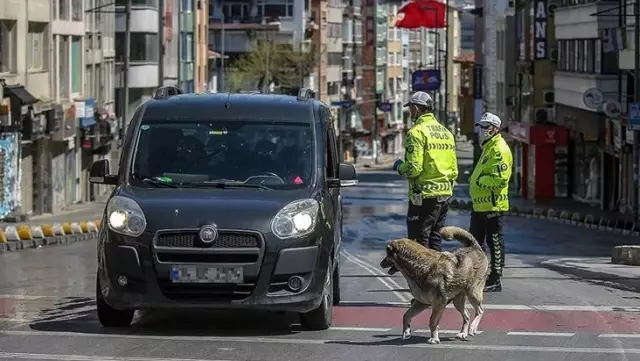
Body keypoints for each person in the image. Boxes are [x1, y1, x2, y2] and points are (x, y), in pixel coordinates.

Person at [392, 91, 458, 258]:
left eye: (410, 110)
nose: (410, 113)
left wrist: (399, 167)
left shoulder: (416, 132)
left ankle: (424, 281)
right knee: (435, 237)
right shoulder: (446, 133)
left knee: (419, 239)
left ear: (416, 108)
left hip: (424, 195)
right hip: (444, 194)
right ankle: (438, 279)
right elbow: (454, 168)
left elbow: (414, 168)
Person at [468, 112, 513, 292]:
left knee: (495, 242)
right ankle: (476, 276)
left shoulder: (499, 149)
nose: (482, 130)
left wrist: (479, 182)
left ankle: (495, 278)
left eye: (486, 127)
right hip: (480, 205)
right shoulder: (489, 147)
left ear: (495, 128)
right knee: (474, 243)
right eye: (481, 126)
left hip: (492, 205)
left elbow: (500, 180)